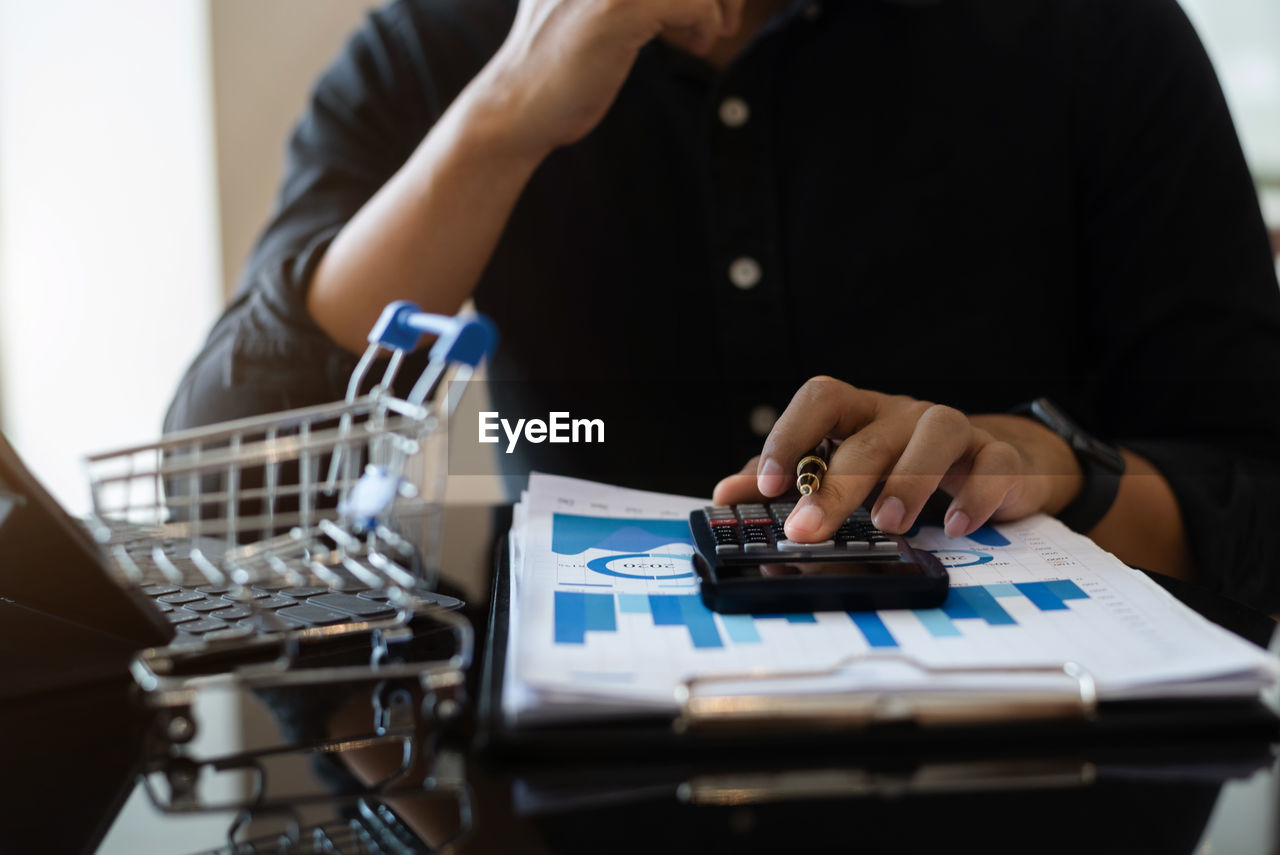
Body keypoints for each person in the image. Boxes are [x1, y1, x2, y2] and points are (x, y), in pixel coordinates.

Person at [167, 0, 1280, 608]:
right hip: (576, 787)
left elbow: (1255, 495)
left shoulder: (1097, 35)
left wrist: (1044, 466)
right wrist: (501, 119)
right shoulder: (439, 50)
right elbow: (221, 494)